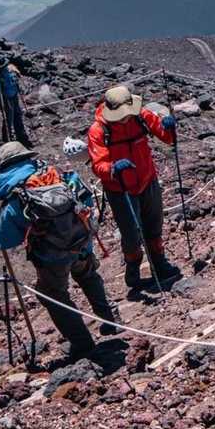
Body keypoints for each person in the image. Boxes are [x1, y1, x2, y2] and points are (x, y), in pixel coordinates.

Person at [0, 141, 119, 361]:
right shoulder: (56, 175)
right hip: (80, 240)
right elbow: (85, 199)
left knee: (51, 294)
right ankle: (110, 319)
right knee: (87, 275)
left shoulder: (16, 197)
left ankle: (82, 344)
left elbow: (4, 240)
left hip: (52, 257)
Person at [87, 84, 180, 290]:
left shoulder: (141, 116)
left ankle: (159, 264)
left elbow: (168, 138)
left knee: (154, 225)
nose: (126, 117)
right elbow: (98, 165)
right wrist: (112, 168)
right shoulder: (98, 130)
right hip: (120, 189)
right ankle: (133, 274)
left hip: (147, 180)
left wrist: (169, 127)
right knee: (131, 235)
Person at [0, 59, 30, 146]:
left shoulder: (9, 69)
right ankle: (7, 137)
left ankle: (21, 135)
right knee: (8, 118)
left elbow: (13, 78)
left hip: (14, 95)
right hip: (6, 98)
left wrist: (15, 77)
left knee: (17, 115)